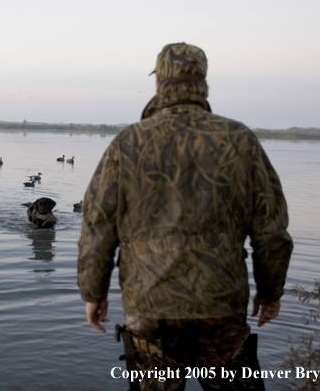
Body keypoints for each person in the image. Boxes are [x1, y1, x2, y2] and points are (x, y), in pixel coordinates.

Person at [77, 43, 293, 390]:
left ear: (160, 80)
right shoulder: (239, 140)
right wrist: (270, 292)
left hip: (150, 303)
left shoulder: (128, 142)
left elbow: (97, 226)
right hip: (220, 301)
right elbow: (271, 229)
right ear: (202, 82)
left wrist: (93, 292)